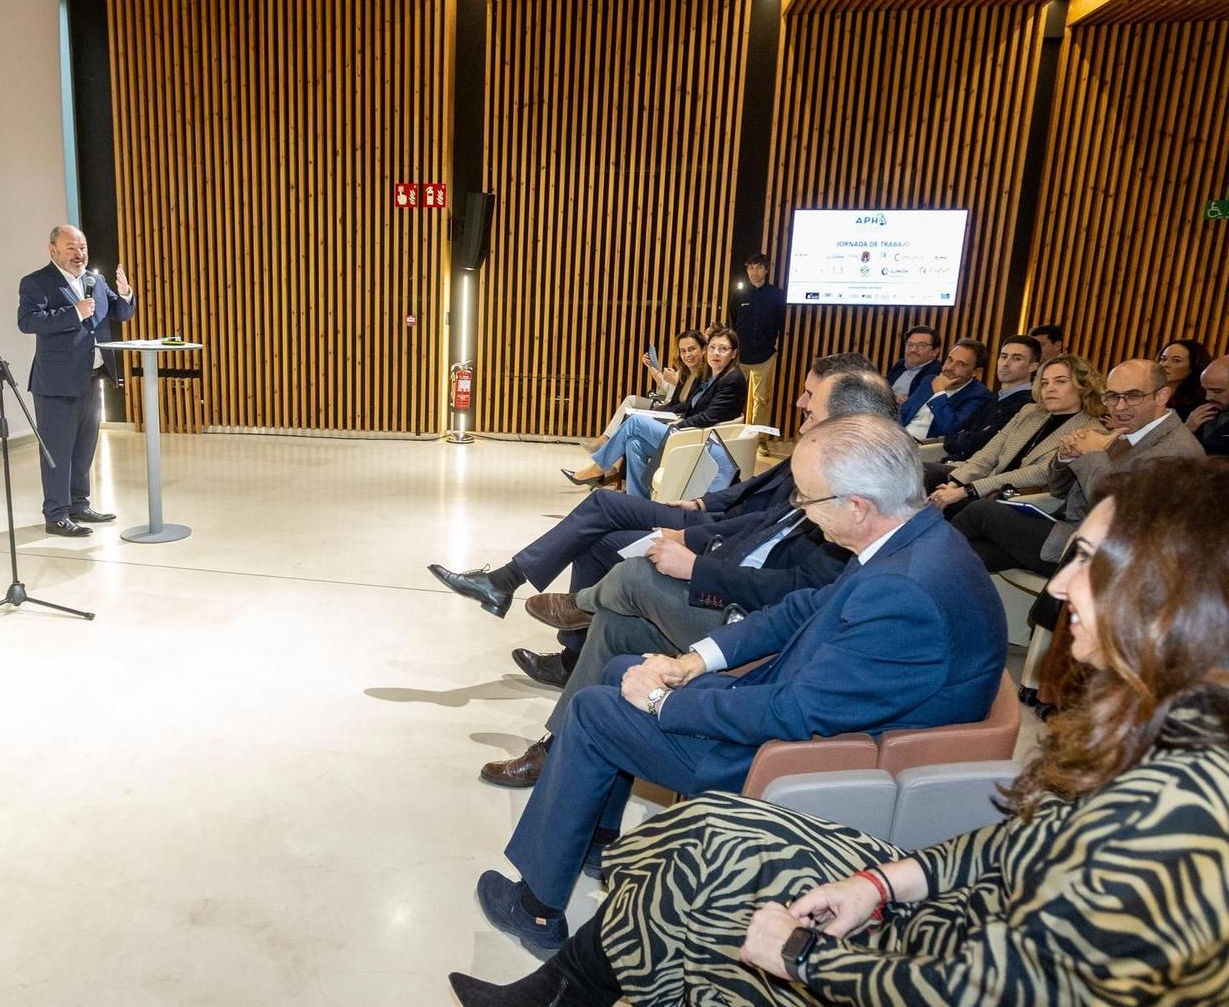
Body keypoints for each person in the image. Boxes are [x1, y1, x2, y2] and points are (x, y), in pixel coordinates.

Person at [448, 460, 1229, 1007]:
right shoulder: (1189, 737)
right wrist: (890, 880)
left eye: (1091, 561)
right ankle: (596, 1004)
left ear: (1188, 597)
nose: (1059, 587)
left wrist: (809, 947)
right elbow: (1025, 850)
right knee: (709, 828)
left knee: (709, 879)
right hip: (980, 939)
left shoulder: (1190, 811)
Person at [471, 414, 1005, 955]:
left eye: (809, 499)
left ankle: (537, 909)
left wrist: (662, 703)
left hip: (797, 759)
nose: (800, 509)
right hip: (810, 720)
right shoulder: (910, 544)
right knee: (617, 670)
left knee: (593, 710)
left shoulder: (903, 592)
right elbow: (801, 610)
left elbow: (793, 714)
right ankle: (594, 840)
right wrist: (694, 663)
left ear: (857, 506)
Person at [481, 371, 896, 786]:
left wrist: (697, 567)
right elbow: (758, 516)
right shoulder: (823, 470)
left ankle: (581, 605)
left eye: (811, 398)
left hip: (748, 617)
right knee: (618, 619)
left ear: (849, 420)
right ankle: (558, 747)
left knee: (633, 576)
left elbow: (798, 597)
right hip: (726, 562)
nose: (800, 405)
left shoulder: (858, 501)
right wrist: (698, 532)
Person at [427, 354, 877, 632]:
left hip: (720, 539)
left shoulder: (844, 470)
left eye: (808, 395)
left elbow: (763, 526)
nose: (799, 404)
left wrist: (696, 536)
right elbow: (755, 489)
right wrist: (700, 502)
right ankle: (544, 627)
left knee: (605, 505)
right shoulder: (816, 444)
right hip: (712, 518)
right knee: (604, 507)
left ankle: (505, 584)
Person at [954, 359, 1201, 574]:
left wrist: (1093, 454)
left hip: (1104, 554)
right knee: (971, 555)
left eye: (1133, 396)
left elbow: (1119, 514)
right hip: (1066, 530)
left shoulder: (1178, 451)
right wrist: (1066, 458)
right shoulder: (1129, 431)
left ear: (1161, 396)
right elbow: (1061, 490)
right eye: (1112, 397)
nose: (1120, 407)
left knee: (981, 511)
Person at [17, 224, 137, 536]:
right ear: (52, 249)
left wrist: (125, 294)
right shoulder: (36, 282)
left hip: (91, 377)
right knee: (58, 451)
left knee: (84, 447)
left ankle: (78, 505)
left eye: (82, 247)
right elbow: (28, 322)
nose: (78, 254)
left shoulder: (94, 280)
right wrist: (75, 312)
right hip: (55, 383)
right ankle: (56, 514)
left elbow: (120, 313)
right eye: (70, 247)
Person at [566, 330, 747, 495]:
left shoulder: (732, 379)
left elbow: (709, 417)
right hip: (689, 435)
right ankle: (638, 502)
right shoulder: (716, 376)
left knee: (635, 422)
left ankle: (598, 469)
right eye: (713, 348)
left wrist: (677, 424)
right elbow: (689, 407)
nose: (715, 353)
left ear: (733, 353)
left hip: (695, 442)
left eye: (723, 349)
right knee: (633, 443)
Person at [926, 354, 1101, 517]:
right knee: (924, 473)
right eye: (1045, 383)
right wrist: (954, 484)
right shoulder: (1030, 412)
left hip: (1018, 498)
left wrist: (966, 491)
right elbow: (988, 454)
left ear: (1083, 387)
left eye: (1060, 382)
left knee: (957, 508)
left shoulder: (1090, 430)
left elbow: (1037, 474)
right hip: (987, 483)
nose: (1050, 389)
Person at [590, 329, 704, 450]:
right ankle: (609, 460)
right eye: (683, 351)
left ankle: (604, 453)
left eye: (692, 349)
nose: (687, 355)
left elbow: (688, 404)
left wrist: (673, 385)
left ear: (704, 349)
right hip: (668, 409)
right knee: (632, 441)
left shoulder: (705, 377)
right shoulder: (685, 372)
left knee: (633, 422)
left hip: (679, 422)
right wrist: (650, 366)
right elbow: (668, 392)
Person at [939, 335, 1038, 461]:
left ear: (1032, 367)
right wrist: (965, 438)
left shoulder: (1027, 404)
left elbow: (984, 444)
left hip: (978, 473)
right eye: (1003, 356)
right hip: (955, 464)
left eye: (1016, 358)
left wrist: (964, 437)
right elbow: (950, 435)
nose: (1006, 363)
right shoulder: (994, 398)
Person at [897, 338, 992, 442]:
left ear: (976, 372)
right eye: (950, 360)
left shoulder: (979, 396)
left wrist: (939, 393)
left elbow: (951, 430)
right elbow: (903, 413)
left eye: (961, 364)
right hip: (900, 439)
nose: (950, 367)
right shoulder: (930, 381)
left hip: (927, 449)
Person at [733, 255, 787, 428]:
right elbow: (734, 322)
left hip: (765, 355)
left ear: (766, 269)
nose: (754, 272)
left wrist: (772, 344)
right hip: (741, 355)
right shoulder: (739, 294)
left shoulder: (776, 295)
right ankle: (732, 435)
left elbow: (780, 322)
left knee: (762, 399)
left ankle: (758, 439)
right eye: (750, 268)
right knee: (734, 397)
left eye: (758, 267)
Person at [885, 326, 941, 406]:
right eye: (910, 345)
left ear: (935, 351)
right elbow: (883, 387)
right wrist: (893, 398)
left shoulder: (935, 373)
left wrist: (891, 398)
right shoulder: (900, 364)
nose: (913, 350)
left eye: (921, 345)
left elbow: (914, 403)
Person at [1157, 337, 1212, 419]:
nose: (1165, 364)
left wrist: (1187, 426)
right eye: (1163, 359)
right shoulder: (1149, 394)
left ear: (1194, 366)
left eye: (1176, 360)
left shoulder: (1198, 405)